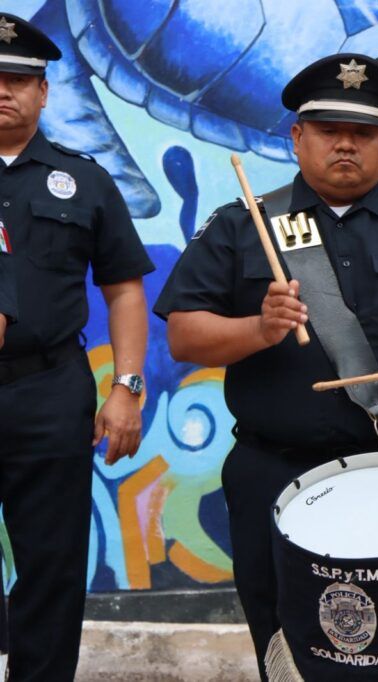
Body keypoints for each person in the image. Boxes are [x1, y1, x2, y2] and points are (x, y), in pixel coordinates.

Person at [154, 53, 378, 679]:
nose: (346, 145)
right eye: (328, 132)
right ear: (297, 138)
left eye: (363, 133)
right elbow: (185, 334)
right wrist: (258, 329)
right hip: (280, 470)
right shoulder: (243, 226)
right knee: (292, 644)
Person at [0, 13, 153, 681]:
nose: (5, 91)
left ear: (44, 92)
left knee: (52, 562)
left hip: (48, 391)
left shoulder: (83, 180)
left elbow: (123, 290)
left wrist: (126, 387)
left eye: (19, 80)